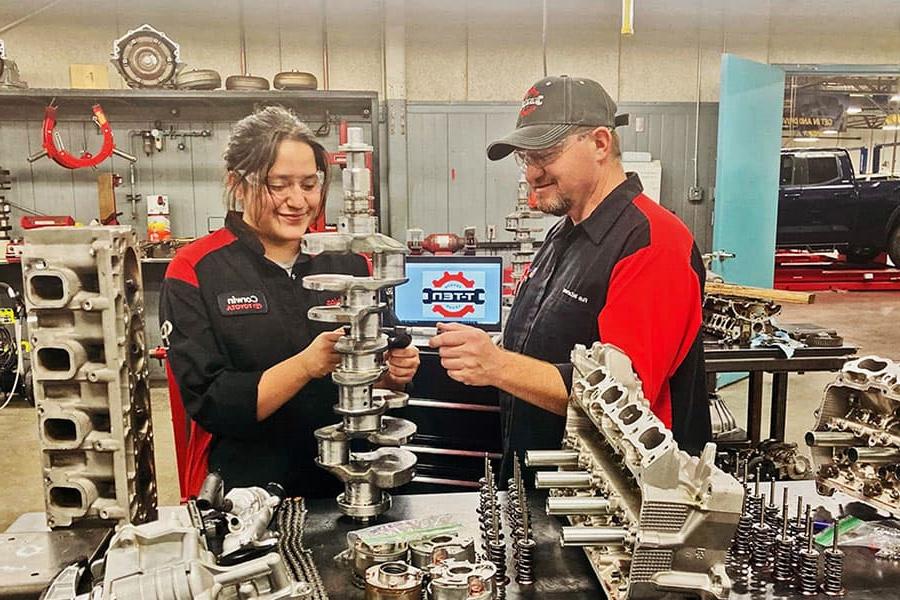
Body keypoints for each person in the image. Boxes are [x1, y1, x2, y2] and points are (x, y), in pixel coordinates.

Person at [429, 75, 710, 477]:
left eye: (545, 152)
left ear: (600, 143)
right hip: (545, 486)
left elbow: (623, 398)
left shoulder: (653, 241)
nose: (531, 172)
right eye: (526, 158)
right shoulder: (564, 233)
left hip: (615, 504)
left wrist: (496, 365)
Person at [160, 106, 419, 497]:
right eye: (277, 184)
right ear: (238, 183)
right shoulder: (195, 269)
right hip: (250, 492)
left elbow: (375, 363)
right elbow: (211, 403)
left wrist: (393, 372)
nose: (297, 201)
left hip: (353, 481)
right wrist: (305, 365)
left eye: (309, 184)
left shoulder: (351, 261)